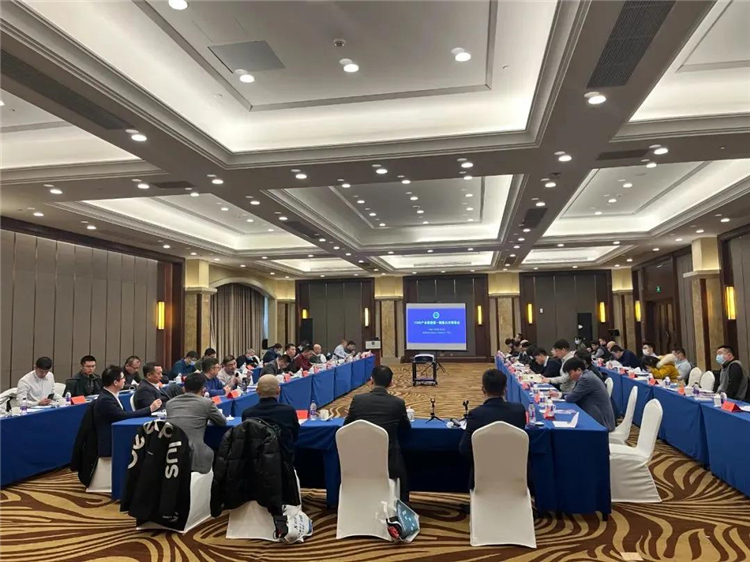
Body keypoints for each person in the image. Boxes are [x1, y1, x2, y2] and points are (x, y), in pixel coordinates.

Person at [344, 365, 411, 501]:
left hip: (359, 460)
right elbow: (406, 428)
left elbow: (347, 426)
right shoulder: (398, 403)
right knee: (403, 471)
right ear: (391, 383)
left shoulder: (358, 400)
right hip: (388, 462)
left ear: (371, 380)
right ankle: (403, 503)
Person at [458, 368, 526, 486]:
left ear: (483, 390)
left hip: (483, 479)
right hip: (516, 477)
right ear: (505, 389)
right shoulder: (519, 410)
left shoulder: (476, 414)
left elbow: (464, 449)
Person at [165, 372, 227, 473]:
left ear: (184, 388)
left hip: (170, 451)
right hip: (194, 453)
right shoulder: (206, 403)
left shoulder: (170, 403)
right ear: (203, 390)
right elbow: (222, 422)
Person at [94, 366, 161, 457]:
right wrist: (150, 409)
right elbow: (122, 416)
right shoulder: (106, 399)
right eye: (122, 378)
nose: (125, 380)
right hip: (110, 442)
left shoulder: (112, 395)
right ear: (115, 382)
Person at [242, 374, 300, 460]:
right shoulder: (288, 411)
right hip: (283, 461)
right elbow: (295, 436)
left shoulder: (247, 414)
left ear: (257, 391)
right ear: (278, 391)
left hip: (255, 461)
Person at [551, 358, 615, 432]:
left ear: (578, 370)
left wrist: (565, 396)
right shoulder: (586, 375)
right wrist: (559, 394)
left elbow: (571, 398)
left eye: (570, 373)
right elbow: (575, 393)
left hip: (600, 421)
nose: (570, 377)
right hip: (595, 414)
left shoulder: (586, 379)